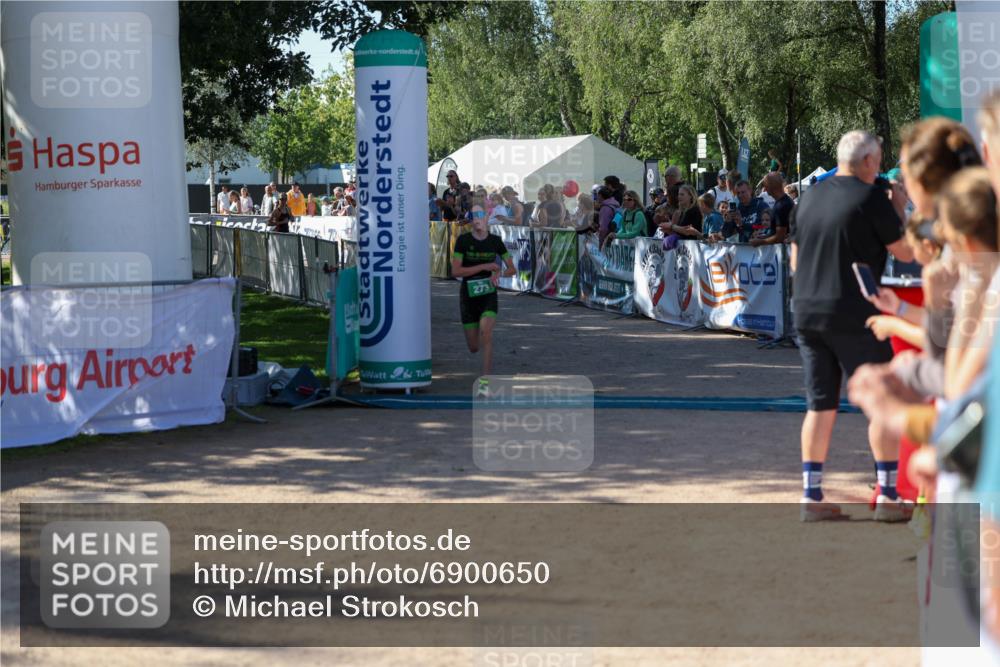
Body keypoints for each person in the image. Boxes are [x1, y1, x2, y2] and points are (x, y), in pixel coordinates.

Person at [791, 130, 914, 522]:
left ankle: (811, 496)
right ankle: (889, 496)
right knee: (883, 402)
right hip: (855, 312)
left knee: (819, 405)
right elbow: (907, 252)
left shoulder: (809, 196)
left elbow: (795, 260)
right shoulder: (872, 199)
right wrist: (898, 205)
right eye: (877, 160)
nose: (879, 167)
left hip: (807, 311)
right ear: (866, 162)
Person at [451, 207, 516, 397]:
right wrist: (485, 266)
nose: (477, 219)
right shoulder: (464, 241)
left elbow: (512, 269)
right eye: (474, 215)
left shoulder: (495, 241)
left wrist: (499, 274)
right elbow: (456, 271)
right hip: (468, 296)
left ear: (487, 218)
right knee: (473, 347)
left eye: (481, 215)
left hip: (488, 294)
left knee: (486, 333)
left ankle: (485, 384)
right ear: (471, 220)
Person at [750, 172, 791, 246]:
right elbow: (775, 233)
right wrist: (762, 237)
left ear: (772, 186)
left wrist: (760, 242)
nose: (764, 188)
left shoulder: (781, 206)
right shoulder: (783, 201)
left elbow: (780, 237)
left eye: (766, 185)